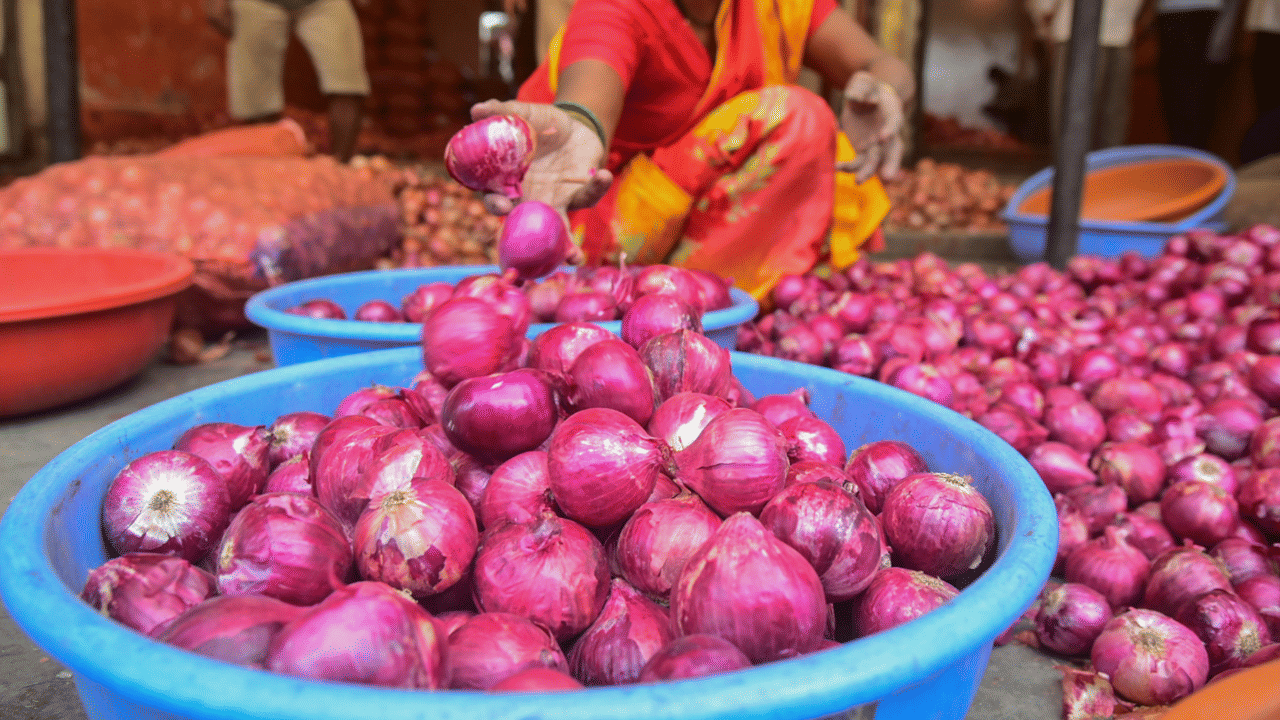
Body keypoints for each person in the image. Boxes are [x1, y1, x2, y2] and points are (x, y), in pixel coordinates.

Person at [473, 0, 914, 299]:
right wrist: (579, 129)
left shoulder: (773, 5)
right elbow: (588, 101)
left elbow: (879, 64)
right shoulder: (615, 7)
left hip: (694, 214)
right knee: (796, 116)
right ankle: (694, 306)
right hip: (591, 241)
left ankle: (721, 299)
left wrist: (886, 91)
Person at [205, 0, 371, 162]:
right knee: (256, 99)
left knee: (348, 83)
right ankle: (266, 169)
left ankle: (341, 167)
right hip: (258, 3)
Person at [1026, 0, 1149, 151]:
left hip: (1121, 28)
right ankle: (1074, 173)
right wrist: (1044, 13)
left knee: (1111, 118)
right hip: (1078, 29)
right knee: (1078, 118)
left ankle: (1105, 171)